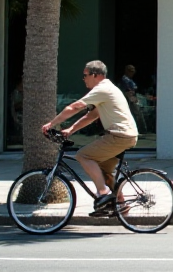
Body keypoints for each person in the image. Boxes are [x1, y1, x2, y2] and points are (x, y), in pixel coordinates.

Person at [41, 60, 138, 215]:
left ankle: (103, 194)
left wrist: (52, 123)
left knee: (83, 155)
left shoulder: (102, 89)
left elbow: (75, 107)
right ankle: (120, 204)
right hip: (124, 135)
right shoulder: (107, 90)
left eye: (85, 75)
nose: (83, 78)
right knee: (104, 170)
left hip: (119, 136)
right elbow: (91, 116)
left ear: (95, 75)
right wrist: (70, 129)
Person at [118, 65, 148, 133]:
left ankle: (140, 130)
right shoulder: (125, 79)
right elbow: (127, 91)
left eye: (133, 71)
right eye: (131, 71)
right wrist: (132, 98)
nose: (132, 73)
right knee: (136, 114)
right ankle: (138, 130)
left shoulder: (130, 79)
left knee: (137, 114)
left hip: (133, 98)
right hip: (129, 100)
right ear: (126, 71)